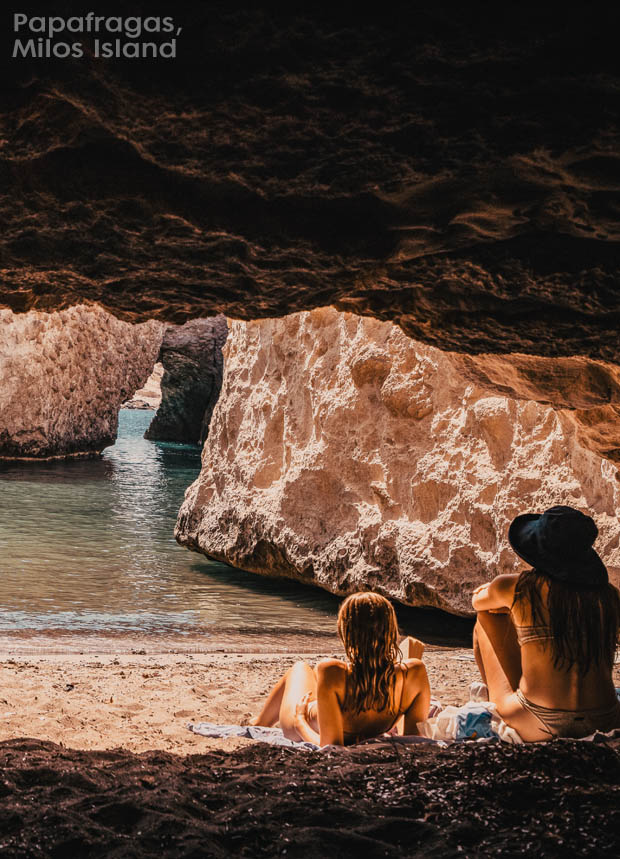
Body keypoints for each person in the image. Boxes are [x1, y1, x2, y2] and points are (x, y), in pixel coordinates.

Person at [472, 505, 620, 741]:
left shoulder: (517, 588)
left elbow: (478, 602)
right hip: (605, 719)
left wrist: (506, 603)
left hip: (537, 722)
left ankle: (510, 694)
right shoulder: (610, 597)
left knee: (487, 617)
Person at [250, 591, 431, 746]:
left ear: (346, 632)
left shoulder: (333, 671)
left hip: (308, 723)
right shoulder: (414, 672)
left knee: (300, 668)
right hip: (365, 718)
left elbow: (331, 746)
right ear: (391, 630)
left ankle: (259, 722)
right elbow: (412, 739)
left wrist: (299, 721)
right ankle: (259, 721)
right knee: (311, 676)